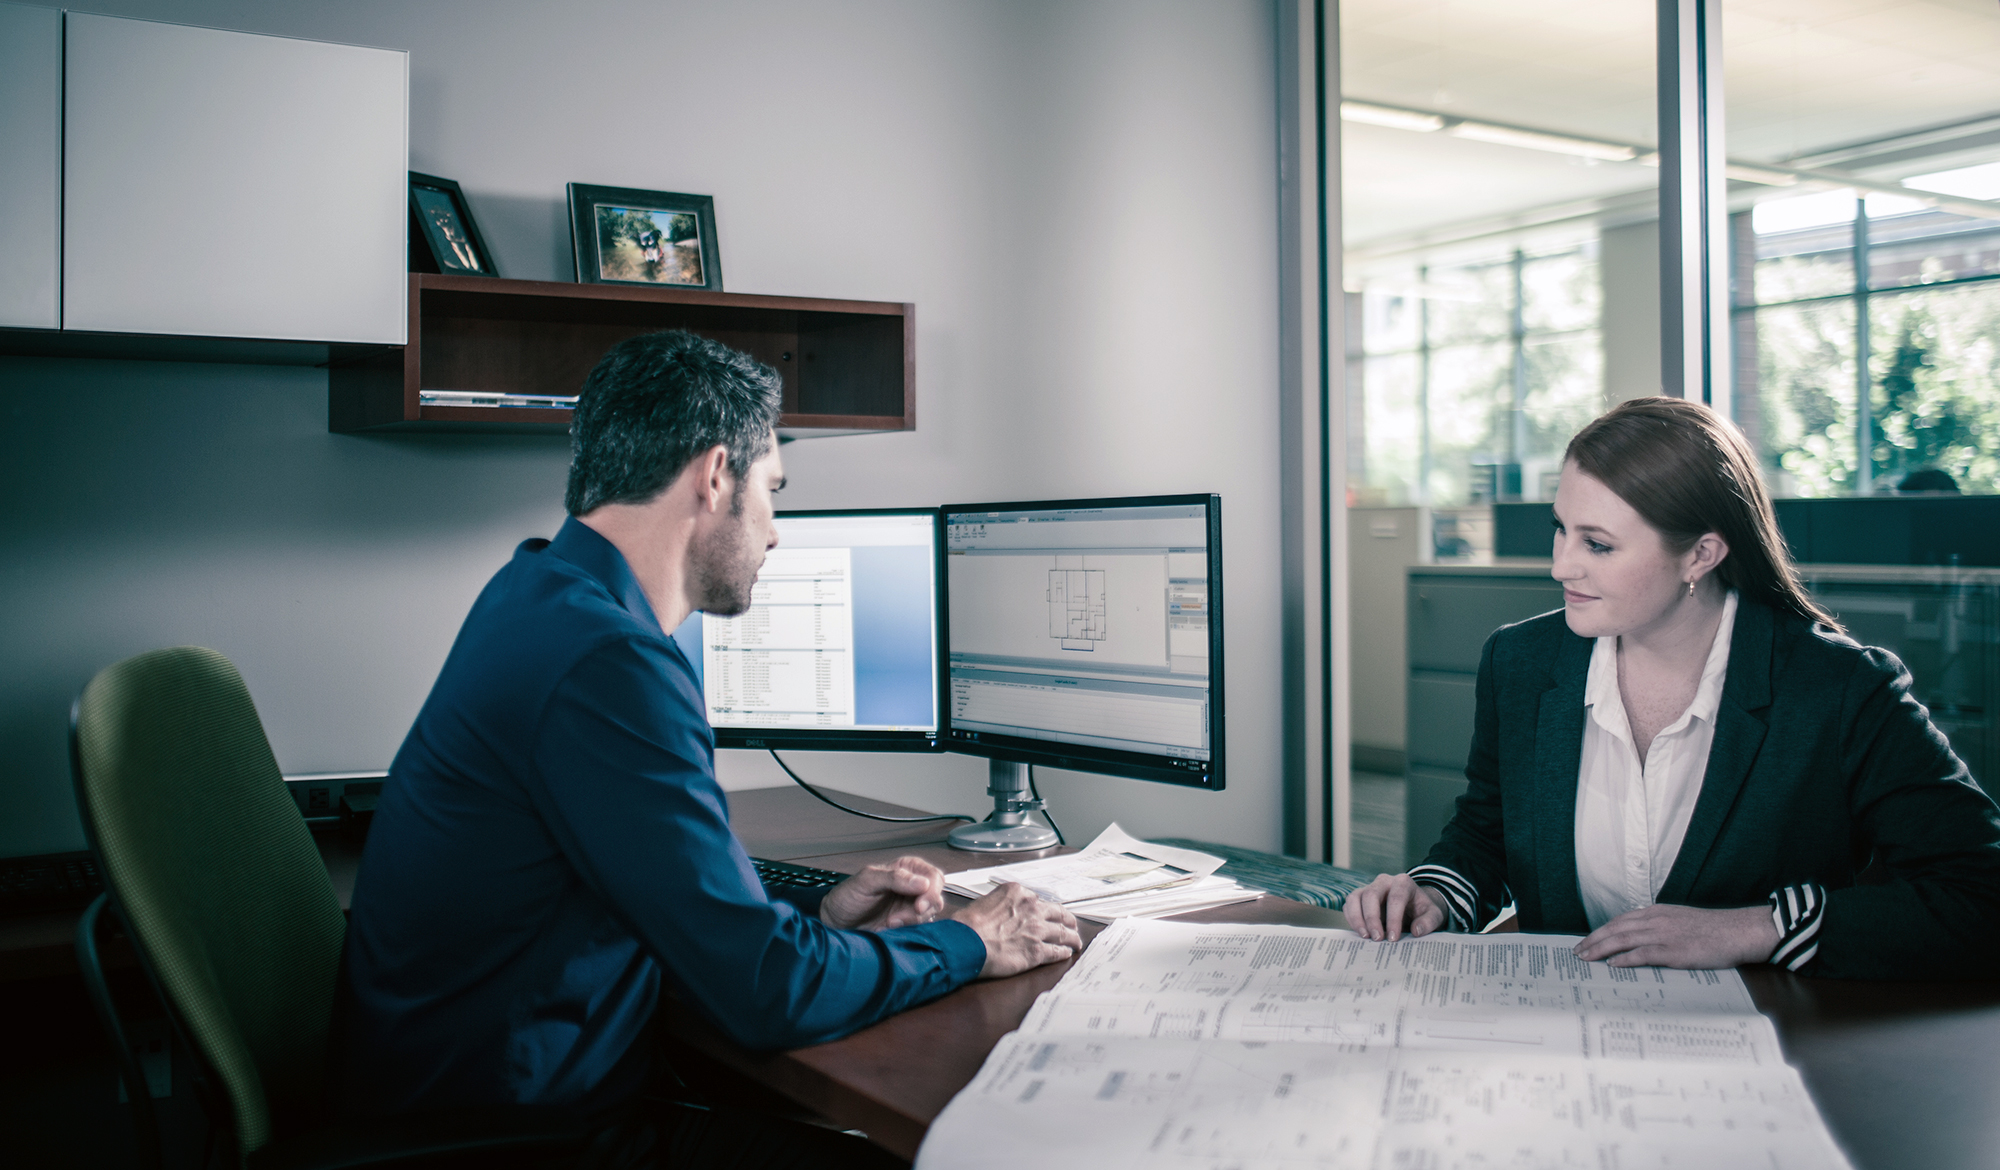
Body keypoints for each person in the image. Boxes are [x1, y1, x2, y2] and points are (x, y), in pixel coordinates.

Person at [338, 329, 1080, 1166]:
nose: (775, 532)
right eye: (773, 490)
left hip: (473, 1085)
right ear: (716, 474)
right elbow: (766, 992)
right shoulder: (609, 664)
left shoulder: (538, 590)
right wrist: (972, 941)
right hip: (517, 1133)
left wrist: (819, 915)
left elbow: (658, 896)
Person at [1344, 396, 2000, 979]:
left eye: (1597, 545)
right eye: (1560, 529)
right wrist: (1434, 891)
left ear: (1700, 555)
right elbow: (1488, 831)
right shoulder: (1520, 662)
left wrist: (1755, 929)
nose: (1559, 564)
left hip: (1775, 1053)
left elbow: (1979, 890)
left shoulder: (1839, 688)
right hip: (1559, 1041)